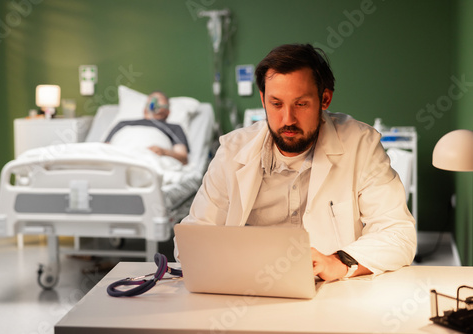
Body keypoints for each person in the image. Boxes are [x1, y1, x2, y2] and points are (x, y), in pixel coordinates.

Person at [178, 43, 417, 281]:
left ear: (324, 99)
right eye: (276, 104)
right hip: (247, 288)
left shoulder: (360, 145)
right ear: (263, 99)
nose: (288, 119)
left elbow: (398, 233)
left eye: (301, 104)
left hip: (330, 292)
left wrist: (339, 261)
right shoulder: (232, 151)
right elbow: (192, 239)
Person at [104, 91, 189, 165]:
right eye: (151, 98)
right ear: (144, 109)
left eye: (160, 99)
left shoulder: (174, 128)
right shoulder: (123, 123)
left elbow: (183, 158)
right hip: (118, 156)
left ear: (168, 112)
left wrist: (164, 152)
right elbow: (103, 149)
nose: (155, 101)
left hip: (149, 159)